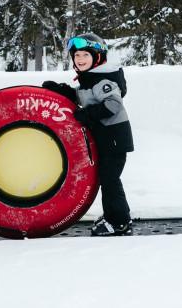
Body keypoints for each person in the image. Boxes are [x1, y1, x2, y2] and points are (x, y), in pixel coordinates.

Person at [42, 33, 134, 236]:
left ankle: (118, 222)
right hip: (108, 139)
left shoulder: (102, 80)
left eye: (85, 55)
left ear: (97, 57)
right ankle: (116, 215)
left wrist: (87, 114)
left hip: (114, 139)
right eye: (76, 56)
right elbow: (83, 95)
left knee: (110, 180)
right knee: (107, 178)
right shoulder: (92, 78)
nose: (80, 59)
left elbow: (113, 104)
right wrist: (61, 90)